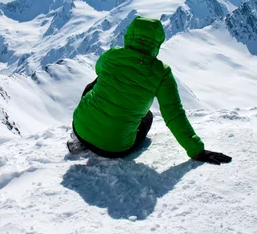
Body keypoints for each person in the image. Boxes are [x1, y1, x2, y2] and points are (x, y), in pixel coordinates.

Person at [70, 16, 232, 165]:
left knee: (93, 85)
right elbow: (173, 114)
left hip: (79, 129)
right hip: (113, 148)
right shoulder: (161, 72)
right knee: (147, 116)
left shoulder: (111, 54)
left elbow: (99, 71)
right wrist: (197, 151)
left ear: (129, 34)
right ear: (157, 42)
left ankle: (82, 138)